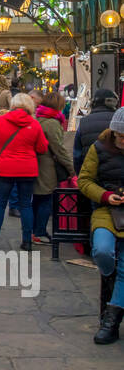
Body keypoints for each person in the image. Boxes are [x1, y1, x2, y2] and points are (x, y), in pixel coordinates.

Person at [77, 108, 124, 343]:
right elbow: (84, 180)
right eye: (121, 136)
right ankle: (111, 279)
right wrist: (105, 195)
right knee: (103, 251)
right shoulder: (99, 148)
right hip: (107, 210)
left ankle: (110, 322)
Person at [0, 93, 48, 250]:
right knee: (25, 205)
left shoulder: (2, 120)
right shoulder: (34, 124)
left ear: (13, 105)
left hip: (5, 168)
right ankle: (26, 241)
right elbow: (42, 148)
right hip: (27, 169)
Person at [32, 91, 74, 243]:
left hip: (35, 163)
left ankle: (33, 231)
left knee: (36, 199)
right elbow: (59, 149)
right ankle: (39, 232)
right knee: (46, 199)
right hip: (46, 166)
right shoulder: (52, 123)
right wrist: (71, 169)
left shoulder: (38, 119)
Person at [73, 88, 119, 172]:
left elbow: (77, 154)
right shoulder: (119, 121)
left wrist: (80, 173)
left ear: (93, 103)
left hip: (91, 173)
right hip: (117, 174)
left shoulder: (83, 122)